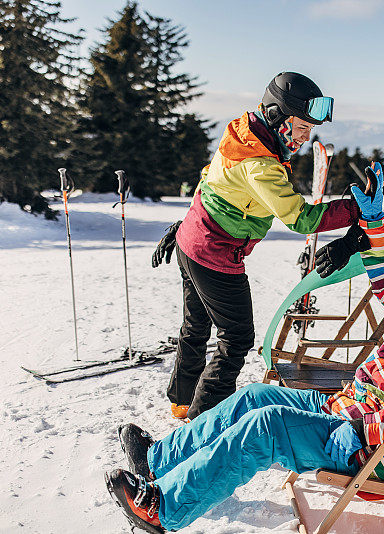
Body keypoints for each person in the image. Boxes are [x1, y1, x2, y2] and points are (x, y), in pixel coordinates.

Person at [107, 162, 384, 533]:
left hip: (368, 449)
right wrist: (373, 221)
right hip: (347, 408)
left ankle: (164, 509)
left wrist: (370, 427)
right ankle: (159, 459)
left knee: (266, 427)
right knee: (256, 396)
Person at [151, 72, 367, 421]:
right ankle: (202, 420)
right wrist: (355, 208)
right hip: (215, 254)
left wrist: (185, 226)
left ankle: (181, 399)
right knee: (236, 339)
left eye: (310, 130)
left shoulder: (243, 132)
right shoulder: (261, 165)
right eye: (302, 127)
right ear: (279, 119)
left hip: (192, 240)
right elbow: (301, 219)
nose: (305, 137)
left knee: (196, 326)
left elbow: (210, 177)